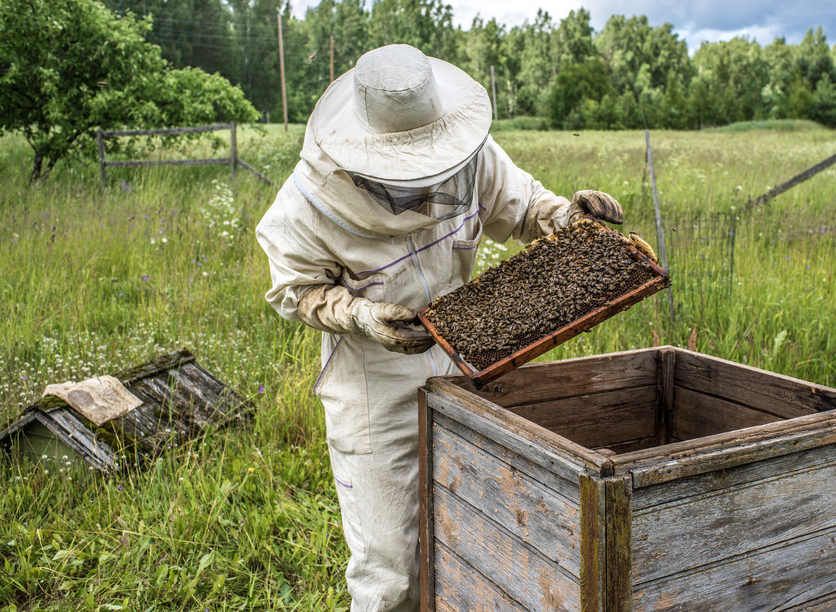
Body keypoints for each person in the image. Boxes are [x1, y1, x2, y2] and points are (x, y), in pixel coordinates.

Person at [255, 43, 623, 611]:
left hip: (467, 371)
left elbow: (524, 206)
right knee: (391, 571)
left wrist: (568, 218)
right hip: (374, 391)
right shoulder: (305, 204)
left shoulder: (470, 155)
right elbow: (295, 290)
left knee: (473, 539)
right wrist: (360, 315)